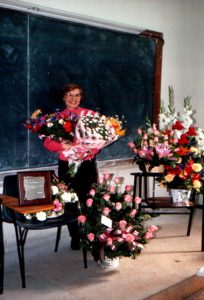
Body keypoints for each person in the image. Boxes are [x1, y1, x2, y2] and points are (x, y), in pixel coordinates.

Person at [44, 83, 98, 250]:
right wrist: (63, 147)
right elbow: (47, 142)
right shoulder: (56, 118)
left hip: (86, 164)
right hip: (66, 165)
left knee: (89, 200)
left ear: (81, 97)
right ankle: (75, 236)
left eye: (77, 95)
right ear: (63, 97)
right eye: (69, 95)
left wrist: (88, 152)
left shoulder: (90, 115)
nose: (73, 99)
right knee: (70, 201)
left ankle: (91, 235)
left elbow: (99, 141)